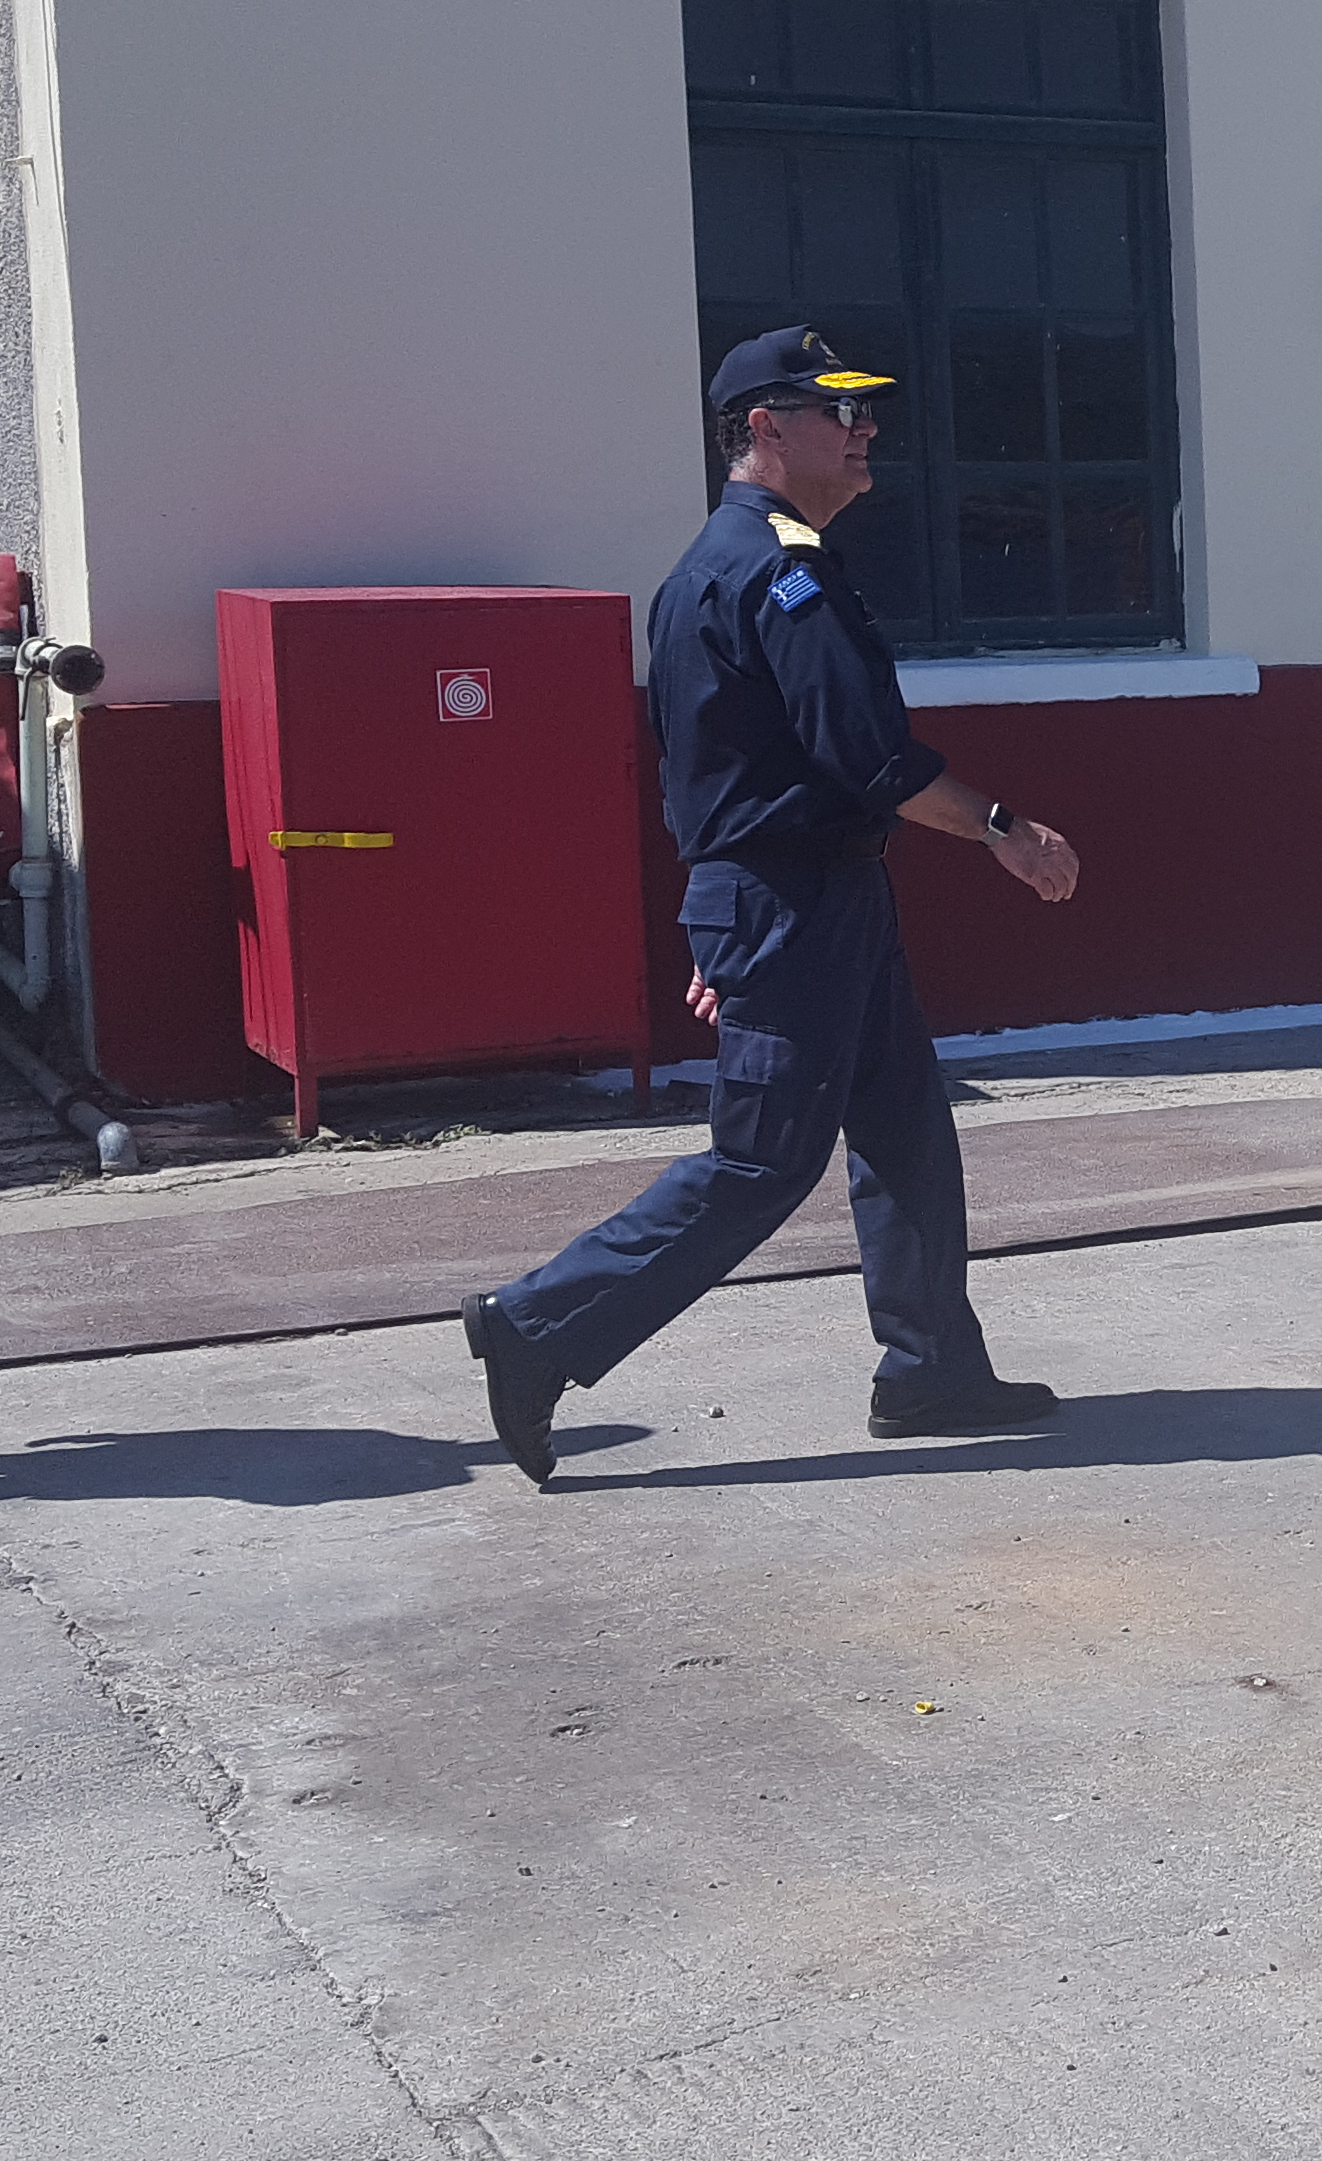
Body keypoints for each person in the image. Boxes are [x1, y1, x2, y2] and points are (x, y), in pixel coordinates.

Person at [462, 327, 1084, 1485]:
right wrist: (1005, 829)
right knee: (761, 1162)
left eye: (864, 409)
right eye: (836, 410)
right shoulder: (777, 573)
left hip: (806, 898)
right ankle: (538, 1323)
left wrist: (724, 914)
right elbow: (870, 758)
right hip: (792, 903)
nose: (865, 428)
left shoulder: (719, 565)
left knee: (904, 1129)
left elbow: (703, 765)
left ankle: (931, 1370)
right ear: (763, 428)